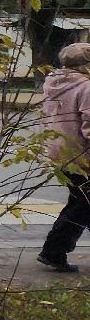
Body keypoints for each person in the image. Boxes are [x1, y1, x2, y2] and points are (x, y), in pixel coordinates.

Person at [38, 41, 90, 273]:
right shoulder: (86, 86)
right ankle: (53, 251)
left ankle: (54, 252)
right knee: (82, 205)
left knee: (82, 203)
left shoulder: (54, 83)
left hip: (60, 153)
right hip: (83, 155)